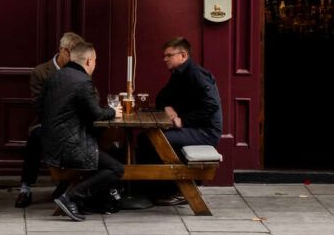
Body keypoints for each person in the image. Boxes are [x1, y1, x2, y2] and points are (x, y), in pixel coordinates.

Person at [41, 42, 121, 222]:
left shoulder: (56, 76)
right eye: (95, 61)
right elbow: (97, 114)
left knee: (105, 155)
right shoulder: (82, 80)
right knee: (116, 168)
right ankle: (70, 197)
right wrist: (114, 111)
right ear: (89, 61)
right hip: (70, 145)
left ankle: (87, 202)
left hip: (52, 143)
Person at [140, 37, 222, 204]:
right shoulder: (179, 74)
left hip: (205, 132)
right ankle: (153, 189)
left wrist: (183, 120)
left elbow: (211, 106)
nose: (165, 59)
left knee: (154, 140)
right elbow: (162, 97)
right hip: (193, 129)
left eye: (169, 55)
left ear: (183, 55)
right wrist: (168, 107)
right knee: (145, 138)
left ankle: (173, 191)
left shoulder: (196, 74)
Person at [16, 31, 85, 208]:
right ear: (62, 51)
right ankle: (26, 188)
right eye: (72, 53)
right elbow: (41, 106)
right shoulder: (42, 72)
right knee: (37, 137)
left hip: (76, 123)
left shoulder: (81, 70)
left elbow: (92, 98)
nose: (76, 58)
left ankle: (69, 182)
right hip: (46, 122)